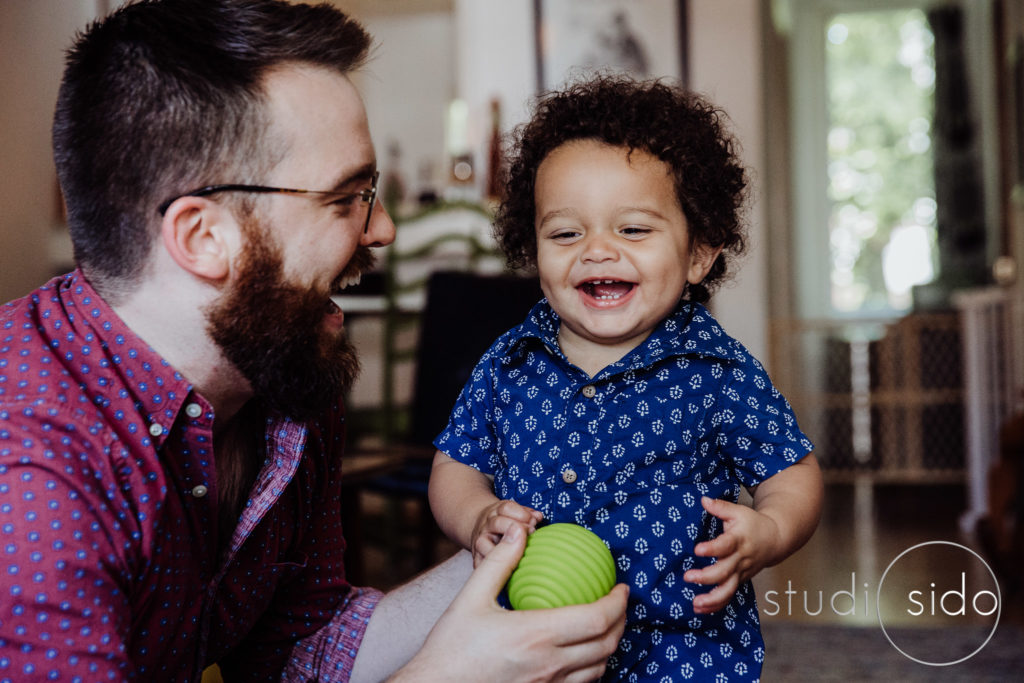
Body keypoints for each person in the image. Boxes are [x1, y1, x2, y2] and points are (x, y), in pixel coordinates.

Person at [0, 1, 628, 680]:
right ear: (203, 236)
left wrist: (521, 536)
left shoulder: (283, 377)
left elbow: (303, 647)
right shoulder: (32, 476)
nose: (382, 228)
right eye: (345, 197)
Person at [429, 76, 824, 681]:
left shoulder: (718, 372)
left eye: (633, 229)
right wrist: (476, 515)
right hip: (529, 645)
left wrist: (768, 531)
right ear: (533, 250)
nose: (596, 250)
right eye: (565, 233)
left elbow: (791, 473)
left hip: (681, 652)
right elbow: (456, 464)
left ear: (698, 254)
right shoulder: (509, 362)